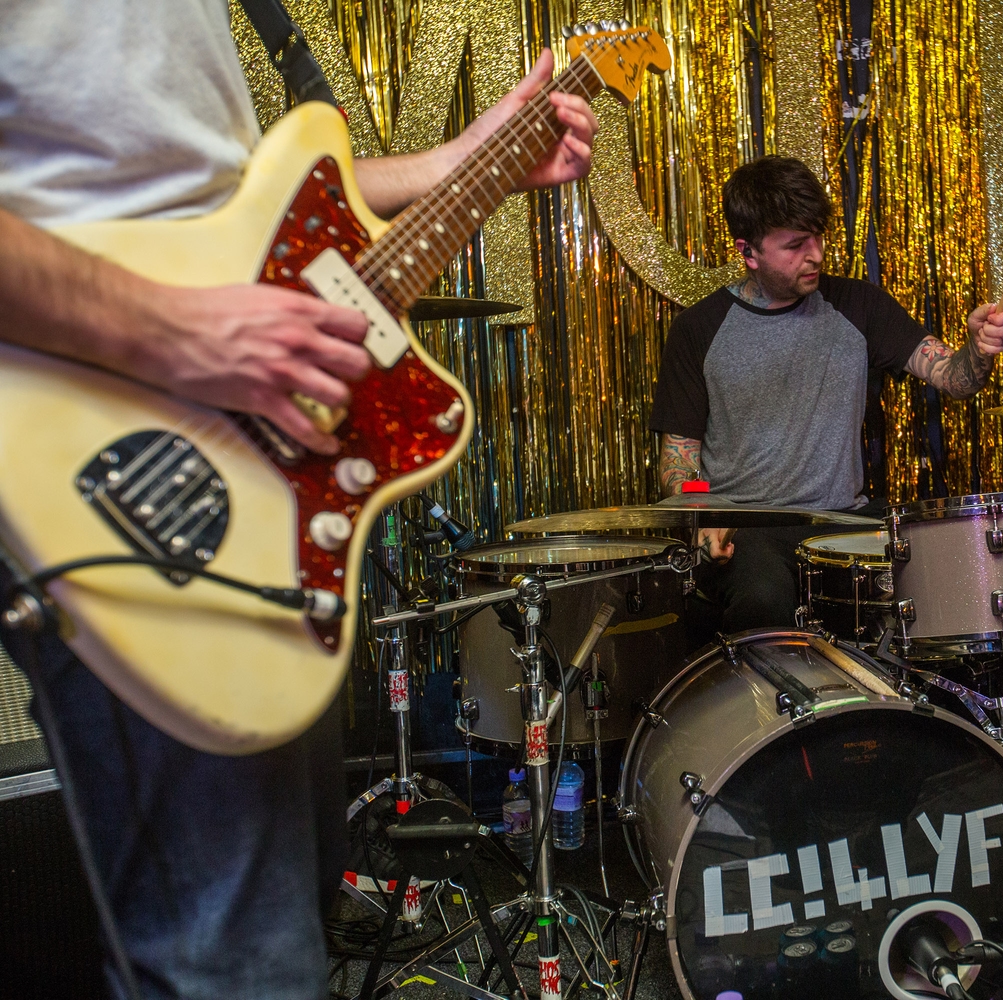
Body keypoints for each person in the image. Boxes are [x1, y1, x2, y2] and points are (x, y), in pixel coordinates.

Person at [0, 3, 597, 998]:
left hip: (233, 458)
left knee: (292, 911)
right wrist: (173, 333)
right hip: (105, 430)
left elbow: (232, 196)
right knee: (239, 964)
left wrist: (468, 160)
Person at [648, 156, 1003, 635]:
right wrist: (703, 514)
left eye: (818, 237)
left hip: (846, 520)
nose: (816, 254)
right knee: (763, 599)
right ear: (748, 251)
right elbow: (681, 460)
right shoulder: (699, 329)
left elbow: (953, 377)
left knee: (949, 569)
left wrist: (980, 349)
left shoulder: (857, 305)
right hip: (752, 531)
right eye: (796, 245)